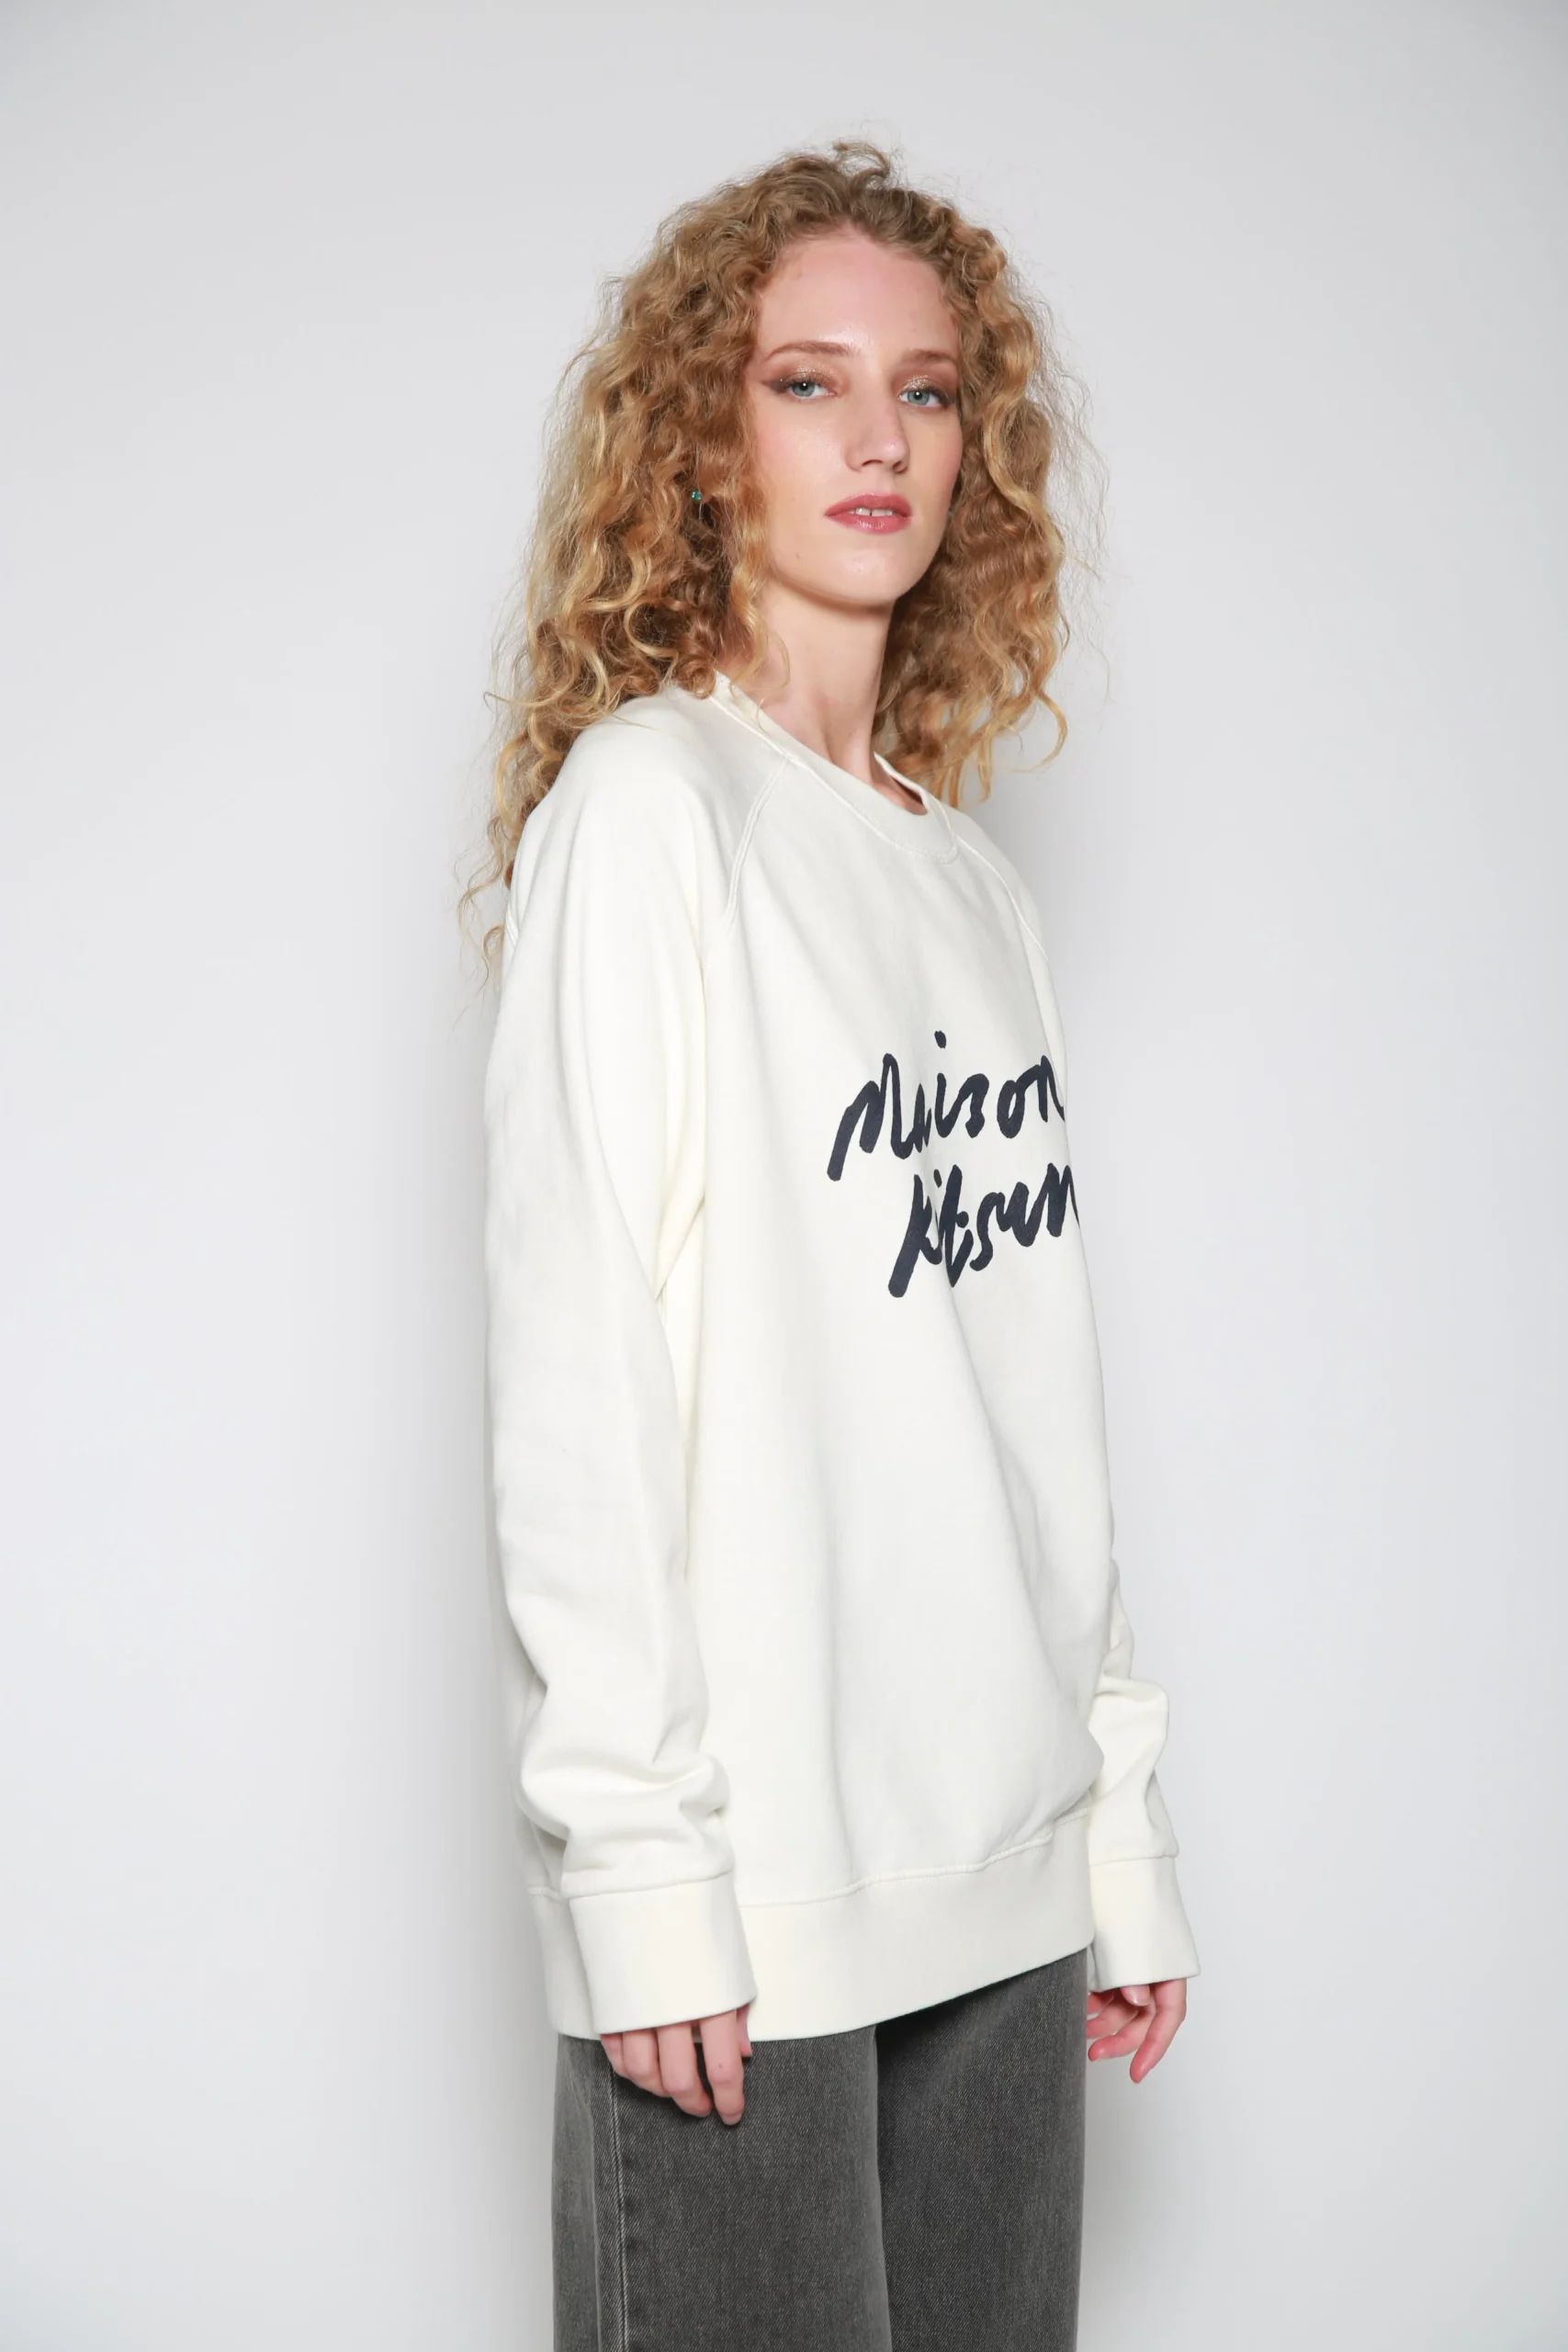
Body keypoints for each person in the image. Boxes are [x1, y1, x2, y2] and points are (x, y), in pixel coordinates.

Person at [469, 137, 1201, 2351]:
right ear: (704, 437)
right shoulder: (650, 813)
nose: (879, 436)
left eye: (928, 388)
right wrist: (640, 1871)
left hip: (1003, 1874)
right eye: (808, 381)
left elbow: (1038, 1412)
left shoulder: (970, 888)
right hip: (756, 1899)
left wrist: (1113, 1830)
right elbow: (580, 1375)